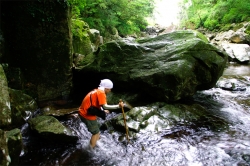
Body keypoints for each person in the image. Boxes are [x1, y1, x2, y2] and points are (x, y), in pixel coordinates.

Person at [79, 79, 124, 149]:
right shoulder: (101, 93)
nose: (110, 91)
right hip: (86, 114)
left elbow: (97, 104)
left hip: (85, 111)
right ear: (106, 88)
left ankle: (97, 142)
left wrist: (103, 110)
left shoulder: (97, 91)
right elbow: (105, 106)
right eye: (109, 89)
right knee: (95, 133)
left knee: (97, 129)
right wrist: (118, 106)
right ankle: (91, 149)